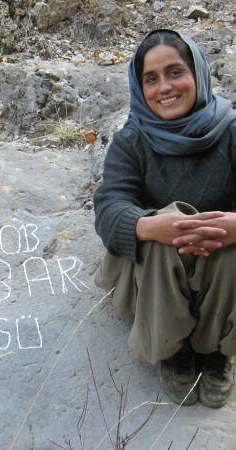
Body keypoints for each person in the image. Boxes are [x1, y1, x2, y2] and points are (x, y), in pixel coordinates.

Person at [94, 29, 236, 409]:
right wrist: (148, 225)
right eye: (151, 78)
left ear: (197, 73)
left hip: (218, 268)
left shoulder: (231, 132)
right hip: (153, 274)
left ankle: (215, 350)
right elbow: (109, 204)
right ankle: (172, 349)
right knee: (162, 228)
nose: (165, 88)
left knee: (231, 245)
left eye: (175, 72)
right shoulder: (132, 140)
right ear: (140, 87)